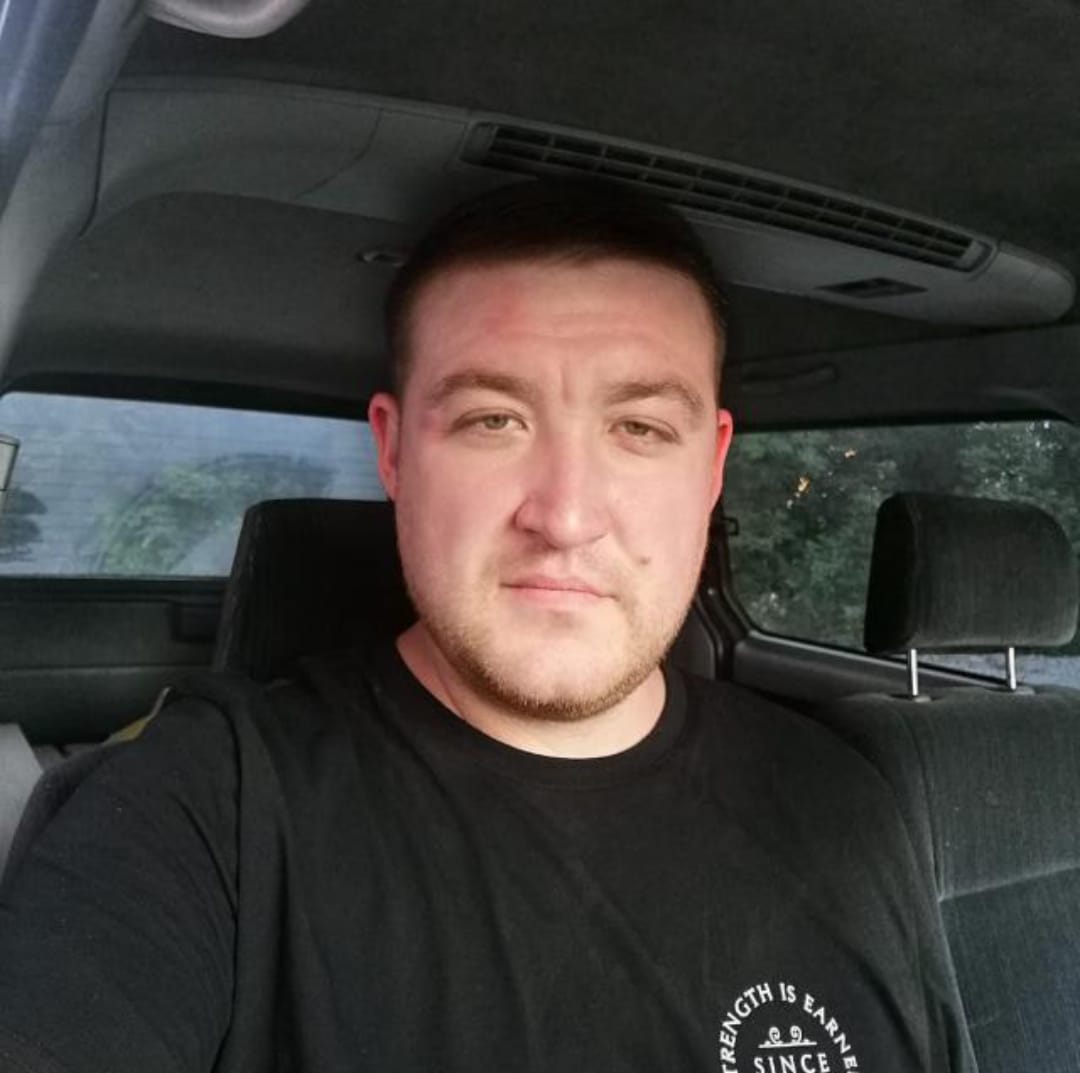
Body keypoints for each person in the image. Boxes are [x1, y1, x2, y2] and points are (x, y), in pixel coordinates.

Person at [0, 180, 971, 1073]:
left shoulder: (848, 804)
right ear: (392, 453)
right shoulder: (199, 804)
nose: (565, 515)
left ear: (712, 466)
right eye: (492, 420)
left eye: (639, 428)